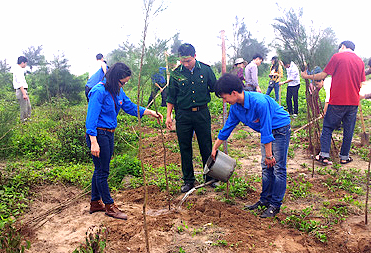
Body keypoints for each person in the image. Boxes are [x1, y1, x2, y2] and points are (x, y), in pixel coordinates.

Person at [86, 62, 162, 219]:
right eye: (123, 82)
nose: (124, 85)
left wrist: (150, 112)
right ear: (114, 78)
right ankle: (109, 206)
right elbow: (91, 119)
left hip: (109, 134)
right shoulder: (98, 92)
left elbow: (130, 106)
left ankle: (95, 202)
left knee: (100, 168)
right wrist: (94, 141)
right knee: (102, 171)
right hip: (99, 135)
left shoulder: (117, 91)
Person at [211, 73, 291, 218]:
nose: (224, 101)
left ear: (234, 93)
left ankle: (275, 205)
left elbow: (266, 130)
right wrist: (215, 147)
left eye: (224, 97)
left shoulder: (259, 102)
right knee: (266, 167)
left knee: (278, 168)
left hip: (280, 129)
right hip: (267, 131)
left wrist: (269, 155)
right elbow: (227, 128)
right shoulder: (236, 108)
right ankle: (264, 200)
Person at [301, 40, 366, 165]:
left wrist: (307, 76)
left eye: (339, 47)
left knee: (328, 127)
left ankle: (324, 155)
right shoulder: (360, 61)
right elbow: (361, 83)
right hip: (353, 102)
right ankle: (344, 157)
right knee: (348, 130)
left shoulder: (337, 57)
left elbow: (323, 75)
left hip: (337, 100)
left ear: (343, 47)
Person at [165, 43, 217, 193]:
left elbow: (215, 88)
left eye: (188, 60)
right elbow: (171, 97)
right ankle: (188, 180)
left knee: (206, 146)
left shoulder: (206, 70)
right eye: (183, 61)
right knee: (185, 147)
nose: (186, 64)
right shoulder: (176, 74)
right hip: (183, 115)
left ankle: (210, 177)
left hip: (202, 113)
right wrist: (169, 116)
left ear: (195, 56)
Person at [12, 56, 32, 122]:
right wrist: (24, 94)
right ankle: (23, 123)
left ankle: (27, 121)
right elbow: (20, 82)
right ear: (22, 62)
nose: (26, 65)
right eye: (25, 63)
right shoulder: (18, 70)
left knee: (28, 107)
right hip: (21, 91)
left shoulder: (19, 69)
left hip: (23, 90)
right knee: (24, 108)